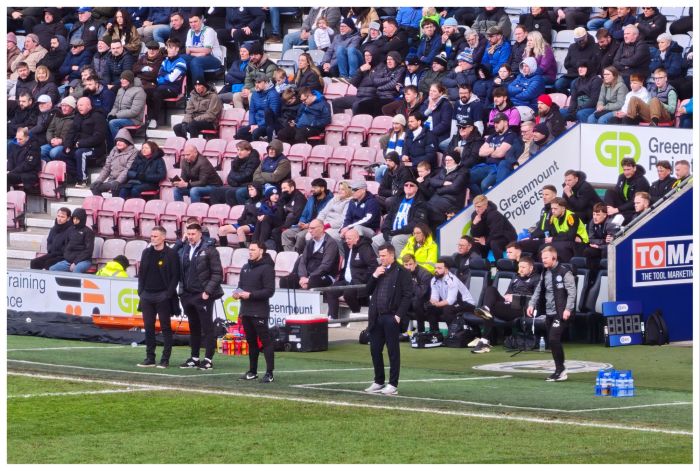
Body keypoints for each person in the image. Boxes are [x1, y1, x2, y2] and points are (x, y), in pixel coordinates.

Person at [364, 244, 412, 396]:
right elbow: (367, 290)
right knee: (375, 350)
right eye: (380, 256)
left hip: (391, 317)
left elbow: (407, 295)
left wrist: (398, 315)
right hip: (376, 316)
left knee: (393, 352)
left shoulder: (402, 272)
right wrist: (374, 276)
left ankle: (393, 384)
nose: (381, 258)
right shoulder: (379, 270)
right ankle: (379, 381)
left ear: (392, 255)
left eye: (384, 255)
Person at [177, 223, 224, 371]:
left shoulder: (210, 249)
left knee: (207, 327)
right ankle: (195, 358)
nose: (190, 237)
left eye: (193, 234)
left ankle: (208, 359)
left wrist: (207, 292)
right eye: (188, 234)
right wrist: (182, 293)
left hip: (203, 295)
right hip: (187, 295)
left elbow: (217, 273)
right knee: (193, 327)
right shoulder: (184, 248)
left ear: (200, 234)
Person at [527, 245, 576, 382]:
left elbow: (572, 292)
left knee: (554, 338)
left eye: (546, 258)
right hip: (549, 312)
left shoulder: (565, 272)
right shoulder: (545, 272)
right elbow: (538, 289)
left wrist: (568, 309)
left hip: (561, 312)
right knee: (552, 341)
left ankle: (561, 370)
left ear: (554, 257)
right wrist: (531, 304)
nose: (543, 260)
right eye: (542, 258)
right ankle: (559, 369)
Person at [472, 256, 540, 353]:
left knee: (491, 310)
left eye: (523, 267)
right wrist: (507, 297)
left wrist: (514, 297)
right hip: (508, 304)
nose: (520, 270)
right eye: (519, 267)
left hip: (521, 307)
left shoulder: (537, 279)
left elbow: (535, 298)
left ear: (531, 268)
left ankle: (484, 341)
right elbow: (508, 293)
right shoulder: (516, 277)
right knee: (490, 289)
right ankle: (486, 308)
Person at [136, 226, 180, 368]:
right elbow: (141, 273)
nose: (153, 238)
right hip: (147, 295)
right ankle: (150, 358)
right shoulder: (146, 252)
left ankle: (165, 359)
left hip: (163, 295)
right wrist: (141, 292)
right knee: (148, 327)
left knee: (165, 327)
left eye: (155, 236)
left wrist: (168, 294)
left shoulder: (171, 254)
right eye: (152, 236)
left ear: (163, 237)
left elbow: (175, 276)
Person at [235, 241, 277, 383]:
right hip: (245, 310)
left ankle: (269, 373)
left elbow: (269, 291)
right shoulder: (245, 267)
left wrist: (251, 295)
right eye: (249, 250)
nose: (250, 252)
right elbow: (240, 286)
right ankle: (252, 371)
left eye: (253, 250)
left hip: (259, 311)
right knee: (251, 342)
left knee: (265, 341)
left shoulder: (267, 268)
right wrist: (236, 293)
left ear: (261, 251)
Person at [326, 228, 378, 320]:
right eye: (346, 238)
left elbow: (373, 266)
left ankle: (356, 315)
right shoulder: (346, 247)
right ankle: (333, 318)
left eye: (349, 239)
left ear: (357, 238)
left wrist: (363, 279)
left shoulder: (364, 248)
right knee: (331, 290)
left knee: (348, 294)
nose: (347, 241)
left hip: (359, 282)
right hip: (346, 281)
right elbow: (347, 266)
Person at [60, 97, 107, 187]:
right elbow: (71, 132)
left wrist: (81, 143)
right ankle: (76, 175)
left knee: (81, 153)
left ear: (89, 105)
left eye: (81, 105)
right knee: (63, 154)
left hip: (96, 148)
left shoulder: (98, 116)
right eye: (78, 106)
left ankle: (82, 180)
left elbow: (99, 137)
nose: (79, 107)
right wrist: (67, 145)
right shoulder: (78, 116)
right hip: (79, 146)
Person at [281, 178, 332, 253]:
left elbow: (324, 218)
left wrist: (309, 225)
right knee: (286, 234)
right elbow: (304, 214)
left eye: (315, 187)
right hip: (304, 225)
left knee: (300, 236)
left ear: (322, 188)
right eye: (312, 187)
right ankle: (289, 255)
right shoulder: (311, 199)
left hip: (316, 227)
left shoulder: (330, 201)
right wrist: (301, 222)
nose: (312, 189)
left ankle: (296, 255)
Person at [426, 257, 476, 333]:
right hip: (452, 303)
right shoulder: (434, 280)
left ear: (446, 270)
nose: (436, 270)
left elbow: (450, 301)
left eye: (439, 268)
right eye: (435, 268)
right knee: (430, 308)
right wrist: (433, 302)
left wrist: (437, 304)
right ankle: (434, 333)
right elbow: (434, 297)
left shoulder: (452, 280)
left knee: (447, 310)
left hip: (466, 303)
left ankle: (453, 333)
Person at [90, 129, 137, 197]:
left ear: (127, 142)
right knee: (94, 187)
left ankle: (115, 203)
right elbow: (107, 167)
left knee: (115, 187)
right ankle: (102, 203)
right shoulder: (114, 150)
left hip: (125, 181)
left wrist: (118, 181)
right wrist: (99, 180)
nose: (118, 143)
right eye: (117, 141)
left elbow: (127, 169)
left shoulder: (133, 152)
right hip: (112, 180)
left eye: (121, 141)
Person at [469, 194, 517, 261]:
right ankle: (481, 263)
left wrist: (486, 241)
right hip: (490, 237)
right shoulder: (475, 215)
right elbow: (474, 234)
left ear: (486, 205)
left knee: (494, 243)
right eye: (475, 207)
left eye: (479, 207)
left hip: (506, 236)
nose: (477, 209)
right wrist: (475, 224)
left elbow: (497, 233)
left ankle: (501, 264)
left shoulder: (494, 214)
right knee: (475, 242)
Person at [106, 70, 146, 148]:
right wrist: (111, 115)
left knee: (113, 123)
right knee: (105, 121)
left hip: (134, 119)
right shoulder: (120, 90)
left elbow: (134, 111)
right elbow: (116, 106)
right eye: (121, 78)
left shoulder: (139, 91)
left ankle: (120, 145)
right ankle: (110, 147)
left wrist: (116, 116)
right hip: (121, 117)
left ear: (130, 80)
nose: (122, 80)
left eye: (124, 79)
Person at [605, 157, 650, 224]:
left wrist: (617, 209)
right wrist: (612, 209)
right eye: (624, 170)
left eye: (628, 169)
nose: (626, 172)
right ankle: (609, 212)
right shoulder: (621, 177)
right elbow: (616, 192)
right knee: (609, 192)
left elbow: (634, 202)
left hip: (633, 208)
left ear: (634, 168)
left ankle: (612, 214)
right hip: (622, 205)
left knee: (618, 216)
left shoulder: (641, 181)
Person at [49, 208, 95, 273]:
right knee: (52, 269)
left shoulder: (88, 232)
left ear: (82, 219)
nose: (75, 221)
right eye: (74, 218)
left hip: (84, 260)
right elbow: (66, 245)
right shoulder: (70, 229)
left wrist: (76, 262)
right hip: (69, 260)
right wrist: (67, 257)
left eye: (77, 219)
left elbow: (88, 251)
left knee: (76, 269)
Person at [555, 27, 599, 94]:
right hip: (571, 75)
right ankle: (568, 97)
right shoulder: (572, 47)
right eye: (578, 40)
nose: (580, 42)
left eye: (582, 40)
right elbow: (566, 64)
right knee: (558, 84)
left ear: (586, 36)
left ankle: (572, 98)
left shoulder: (594, 47)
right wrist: (580, 64)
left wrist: (576, 65)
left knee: (574, 84)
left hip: (585, 76)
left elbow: (593, 65)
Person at [183, 13, 223, 86]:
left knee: (196, 62)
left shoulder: (208, 30)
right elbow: (187, 51)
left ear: (201, 21)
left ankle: (200, 88)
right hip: (197, 56)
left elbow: (207, 50)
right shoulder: (190, 31)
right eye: (191, 22)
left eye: (195, 21)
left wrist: (192, 50)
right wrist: (199, 53)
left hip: (214, 58)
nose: (193, 24)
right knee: (181, 59)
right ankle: (186, 88)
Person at [401, 253, 433, 334]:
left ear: (415, 263)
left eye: (410, 264)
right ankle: (402, 331)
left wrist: (411, 281)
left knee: (416, 302)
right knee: (399, 301)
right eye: (406, 265)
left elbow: (420, 293)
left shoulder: (425, 274)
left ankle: (421, 330)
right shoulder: (402, 273)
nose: (408, 267)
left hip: (426, 299)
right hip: (411, 297)